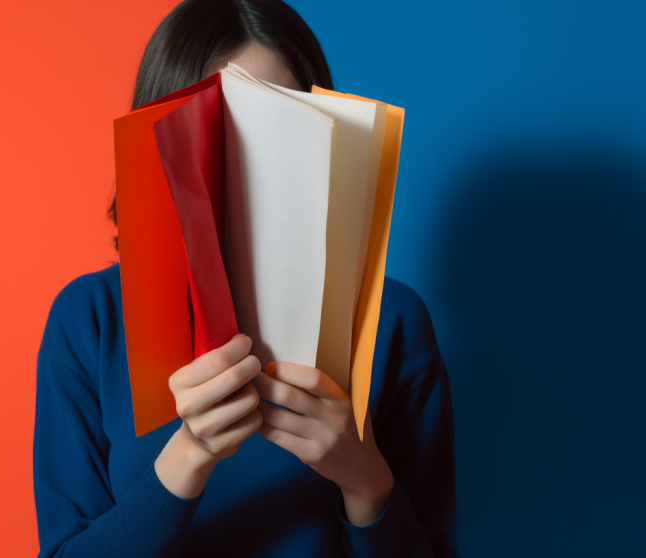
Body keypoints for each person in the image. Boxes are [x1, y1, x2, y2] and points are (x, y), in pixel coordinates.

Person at [32, 0, 458, 556]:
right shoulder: (89, 321)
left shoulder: (394, 322)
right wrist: (189, 456)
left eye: (279, 127)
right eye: (219, 129)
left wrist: (364, 478)